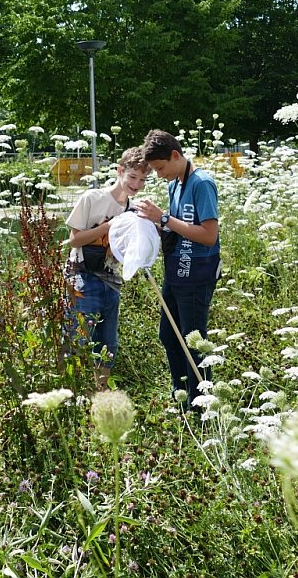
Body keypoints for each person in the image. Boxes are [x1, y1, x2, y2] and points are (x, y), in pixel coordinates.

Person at [134, 129, 221, 410]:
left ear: (175, 155)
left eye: (160, 168)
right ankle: (181, 395)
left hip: (197, 273)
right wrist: (150, 224)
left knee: (193, 340)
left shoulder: (201, 183)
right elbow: (173, 228)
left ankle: (202, 405)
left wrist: (165, 218)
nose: (159, 175)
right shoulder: (174, 183)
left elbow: (209, 235)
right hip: (175, 271)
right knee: (168, 335)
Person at [64, 146, 150, 390]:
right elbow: (74, 240)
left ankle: (100, 394)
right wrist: (107, 228)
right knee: (79, 339)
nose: (137, 183)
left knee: (108, 344)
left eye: (143, 179)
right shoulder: (93, 198)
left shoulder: (133, 209)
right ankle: (75, 395)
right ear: (120, 170)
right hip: (82, 277)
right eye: (133, 177)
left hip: (111, 280)